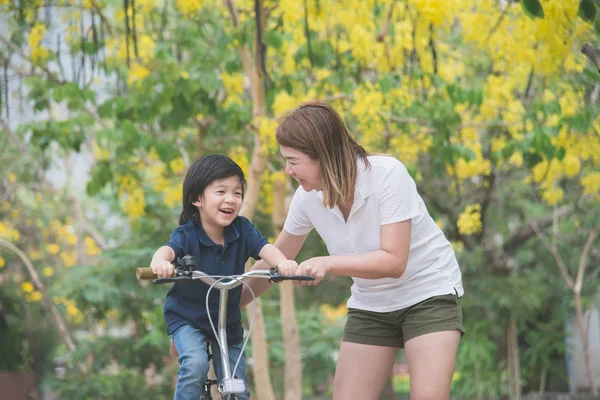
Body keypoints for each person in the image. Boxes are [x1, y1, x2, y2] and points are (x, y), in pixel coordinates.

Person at [240, 102, 464, 400]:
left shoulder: (387, 175)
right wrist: (220, 309)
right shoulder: (306, 199)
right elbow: (274, 262)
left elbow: (394, 261)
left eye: (293, 161)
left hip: (427, 293)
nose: (288, 170)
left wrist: (328, 263)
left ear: (324, 155)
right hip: (372, 303)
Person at [150, 154, 297, 400]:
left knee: (237, 386)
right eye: (221, 192)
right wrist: (160, 262)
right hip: (187, 318)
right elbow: (167, 250)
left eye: (237, 193)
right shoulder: (187, 235)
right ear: (197, 198)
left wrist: (283, 263)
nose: (231, 199)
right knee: (195, 365)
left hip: (225, 321)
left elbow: (265, 248)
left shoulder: (243, 229)